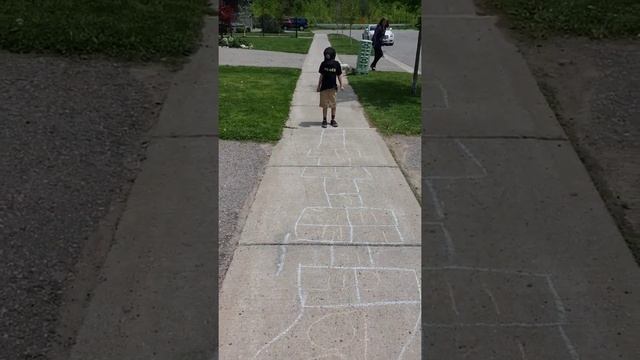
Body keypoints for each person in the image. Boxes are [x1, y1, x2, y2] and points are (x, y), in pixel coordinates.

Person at [317, 46, 344, 128]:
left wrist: (341, 85)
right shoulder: (323, 64)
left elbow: (339, 75)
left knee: (333, 104)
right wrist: (318, 86)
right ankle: (324, 120)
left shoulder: (336, 64)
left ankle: (333, 119)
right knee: (324, 105)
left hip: (333, 88)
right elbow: (321, 76)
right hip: (324, 88)